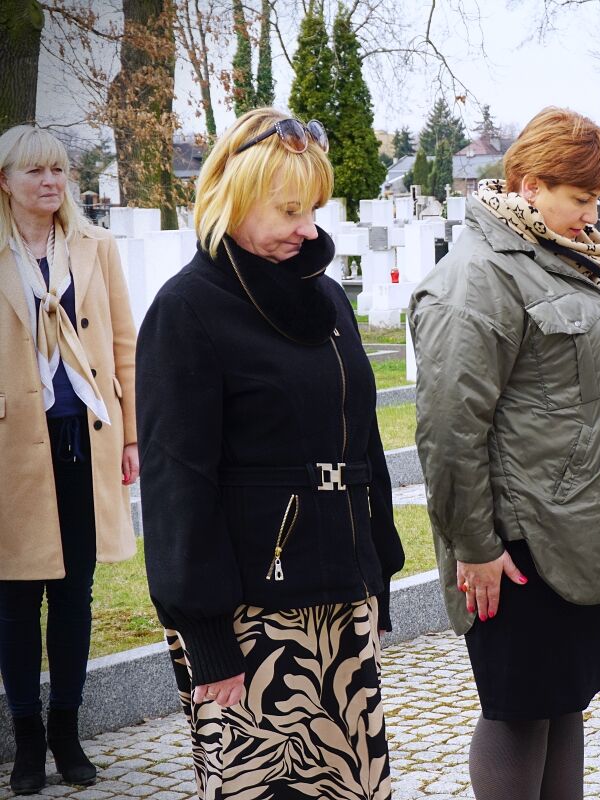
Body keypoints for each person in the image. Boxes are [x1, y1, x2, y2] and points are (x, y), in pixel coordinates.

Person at [409, 107, 600, 800]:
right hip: (519, 545)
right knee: (520, 710)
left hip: (577, 535)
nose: (593, 213)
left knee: (565, 702)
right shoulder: (478, 277)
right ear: (529, 185)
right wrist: (476, 546)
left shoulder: (568, 256)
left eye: (599, 198)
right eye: (581, 197)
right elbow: (449, 429)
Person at [136, 108, 405, 799]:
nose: (308, 228)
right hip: (250, 619)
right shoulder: (187, 309)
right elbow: (177, 484)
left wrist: (377, 572)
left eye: (312, 209)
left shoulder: (327, 299)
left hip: (342, 599)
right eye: (289, 210)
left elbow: (362, 441)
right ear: (235, 196)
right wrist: (206, 635)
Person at [0, 125, 138, 795]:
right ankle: (27, 739)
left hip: (84, 439)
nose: (50, 182)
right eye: (34, 171)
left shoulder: (95, 246)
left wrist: (132, 436)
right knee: (15, 597)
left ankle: (66, 729)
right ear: (5, 181)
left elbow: (125, 345)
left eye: (57, 170)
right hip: (11, 452)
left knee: (74, 596)